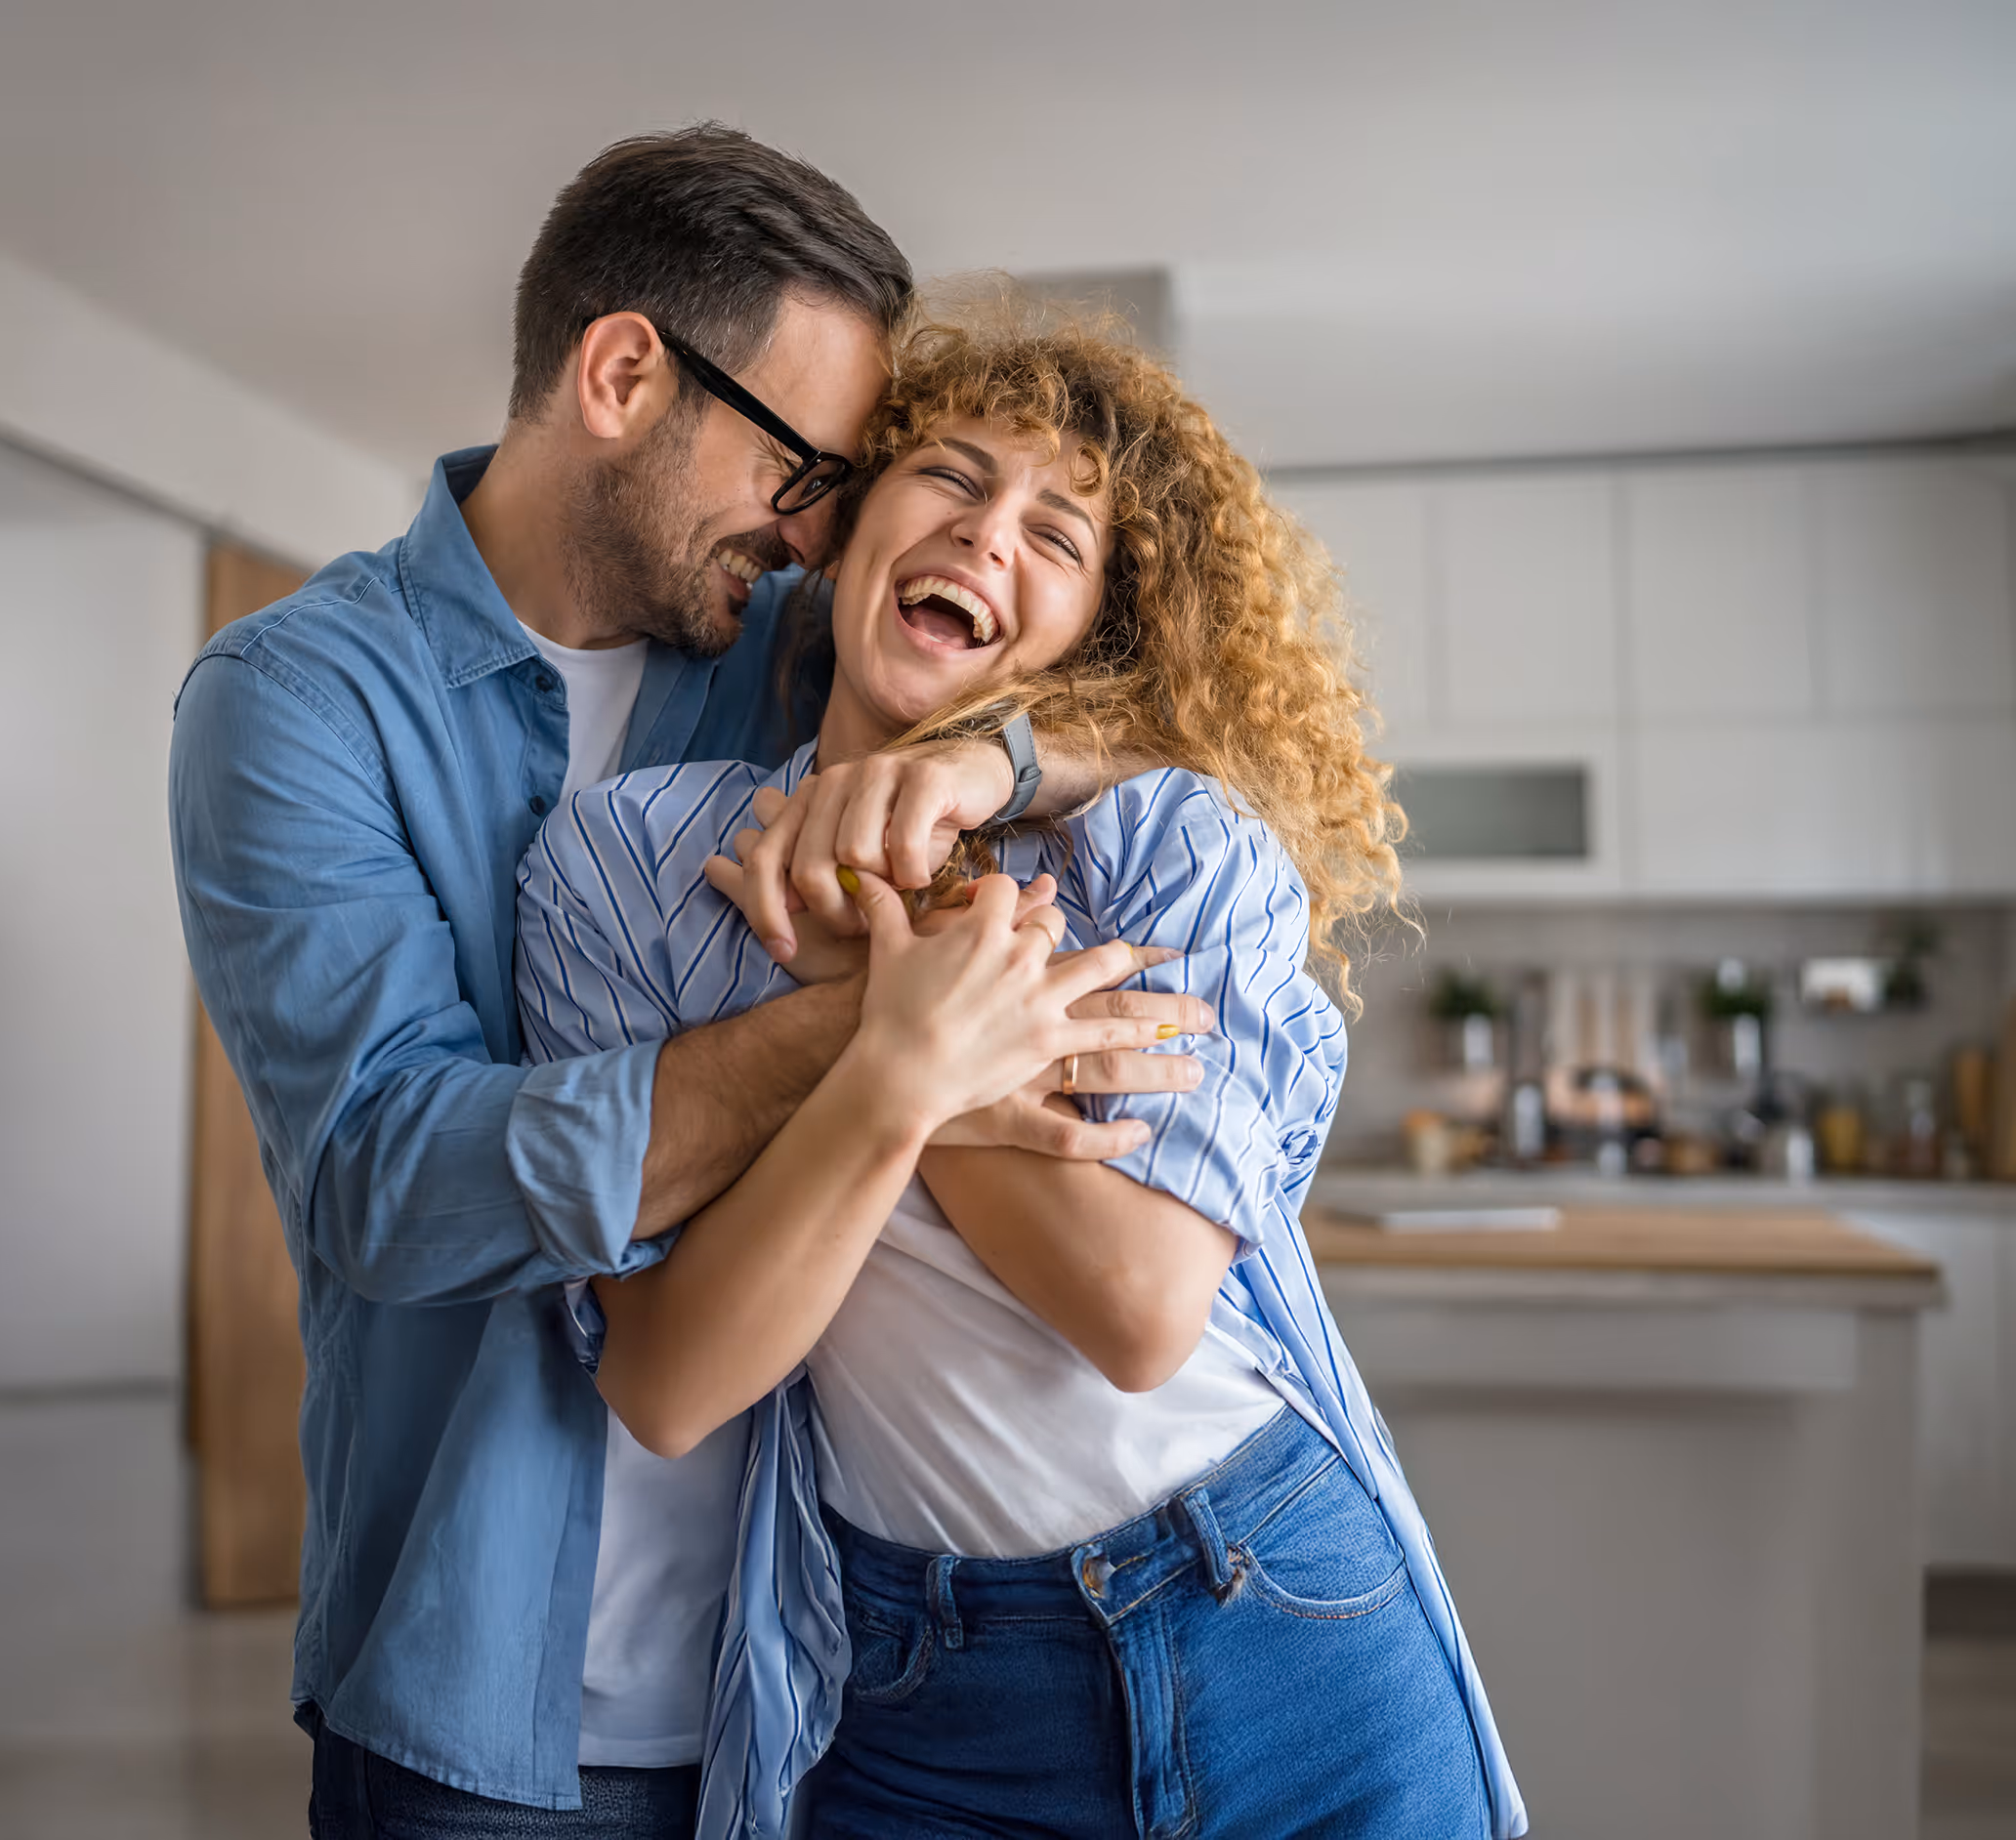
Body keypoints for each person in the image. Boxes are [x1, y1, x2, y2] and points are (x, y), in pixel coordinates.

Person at [169, 130, 1197, 1840]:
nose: (818, 529)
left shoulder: (783, 643)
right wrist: (882, 1032)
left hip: (810, 1689)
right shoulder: (297, 701)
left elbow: (1161, 702)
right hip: (486, 1713)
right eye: (801, 467)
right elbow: (390, 1179)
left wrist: (995, 762)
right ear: (624, 374)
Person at [519, 314, 1528, 1838]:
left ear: (1095, 628)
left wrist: (887, 975)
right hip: (924, 1694)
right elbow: (668, 1387)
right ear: (848, 522)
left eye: (1057, 533)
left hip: (1276, 1614)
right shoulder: (629, 869)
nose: (988, 536)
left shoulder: (1171, 846)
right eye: (949, 476)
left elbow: (1137, 1312)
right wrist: (905, 1056)